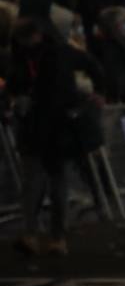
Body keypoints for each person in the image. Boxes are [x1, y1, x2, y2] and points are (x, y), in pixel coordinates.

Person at [9, 18, 92, 255]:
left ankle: (35, 234)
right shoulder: (61, 52)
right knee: (55, 181)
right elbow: (91, 65)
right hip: (56, 124)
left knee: (37, 181)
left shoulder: (26, 58)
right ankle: (55, 236)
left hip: (41, 124)